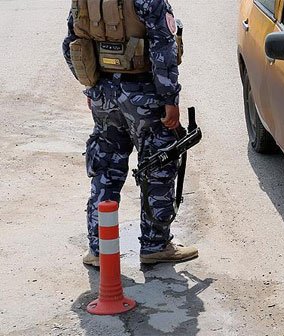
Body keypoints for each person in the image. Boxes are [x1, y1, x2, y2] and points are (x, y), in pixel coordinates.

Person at [62, 0, 198, 266]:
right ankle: (155, 245)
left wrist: (91, 85)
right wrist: (170, 99)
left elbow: (71, 42)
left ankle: (99, 249)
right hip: (144, 96)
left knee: (106, 168)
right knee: (157, 166)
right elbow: (163, 47)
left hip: (103, 93)